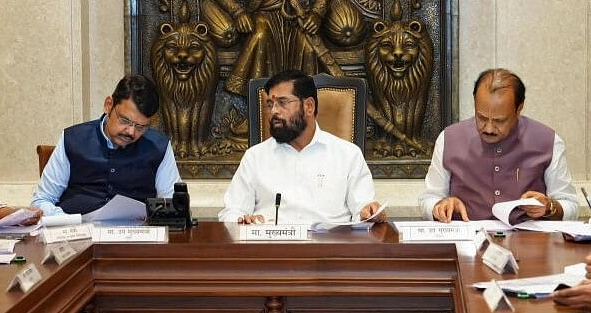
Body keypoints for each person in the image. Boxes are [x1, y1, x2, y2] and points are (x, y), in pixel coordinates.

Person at [218, 70, 386, 224]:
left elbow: (363, 212)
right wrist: (243, 220)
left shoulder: (348, 155)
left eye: (283, 103)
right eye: (270, 104)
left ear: (309, 106)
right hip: (271, 252)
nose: (274, 111)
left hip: (330, 252)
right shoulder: (255, 157)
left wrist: (370, 213)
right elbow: (231, 212)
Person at [419, 68, 578, 223]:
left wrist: (549, 207)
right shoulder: (448, 139)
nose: (488, 128)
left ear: (519, 109)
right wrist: (439, 206)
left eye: (499, 121)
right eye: (481, 118)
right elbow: (428, 199)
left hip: (528, 243)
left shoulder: (548, 141)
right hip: (467, 241)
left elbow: (571, 206)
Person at [32, 74, 181, 216]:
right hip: (78, 234)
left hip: (133, 237)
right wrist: (70, 220)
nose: (131, 132)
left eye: (140, 127)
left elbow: (174, 205)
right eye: (125, 121)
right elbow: (41, 201)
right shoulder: (72, 139)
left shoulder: (159, 146)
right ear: (108, 105)